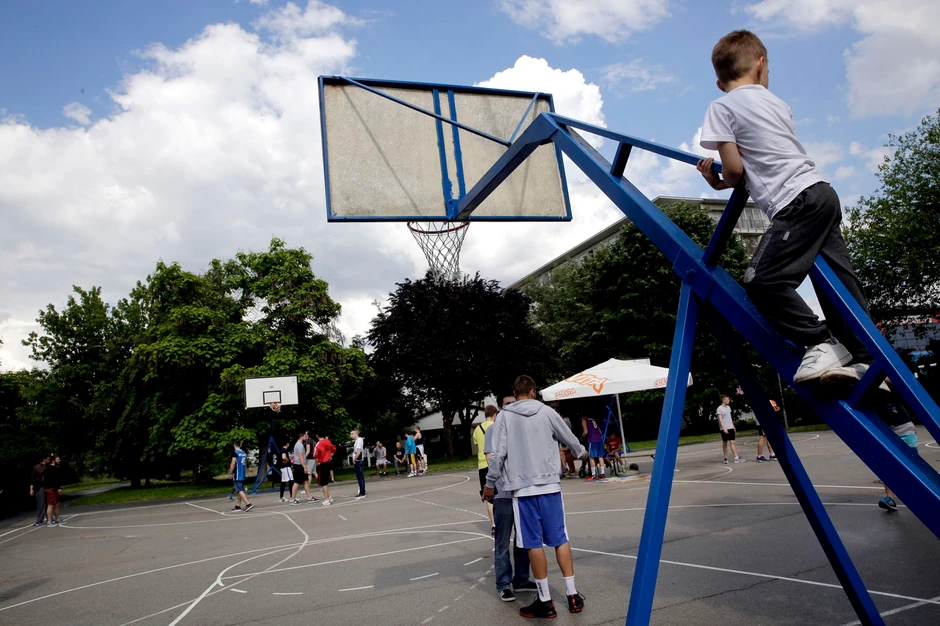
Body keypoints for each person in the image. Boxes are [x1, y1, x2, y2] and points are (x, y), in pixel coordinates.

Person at [697, 30, 877, 388]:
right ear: (760, 65)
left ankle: (821, 341)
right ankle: (867, 360)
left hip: (794, 201)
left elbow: (734, 170)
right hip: (821, 192)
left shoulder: (721, 106)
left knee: (762, 281)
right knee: (840, 283)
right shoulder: (777, 104)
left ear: (719, 82)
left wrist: (716, 181)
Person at [484, 375, 588, 618]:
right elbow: (570, 439)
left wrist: (490, 483)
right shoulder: (547, 412)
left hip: (523, 490)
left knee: (533, 543)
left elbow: (498, 455)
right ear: (533, 392)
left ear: (515, 393)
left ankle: (545, 600)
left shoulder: (504, 417)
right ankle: (572, 595)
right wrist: (582, 453)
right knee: (560, 539)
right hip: (550, 486)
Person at [483, 403, 536, 602]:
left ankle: (521, 579)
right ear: (499, 411)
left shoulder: (521, 429)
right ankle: (503, 584)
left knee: (523, 538)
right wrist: (492, 483)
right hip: (504, 491)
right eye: (506, 405)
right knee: (503, 540)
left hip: (522, 491)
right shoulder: (493, 430)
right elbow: (490, 458)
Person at [474, 405, 498, 535]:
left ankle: (494, 524)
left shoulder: (477, 429)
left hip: (482, 464)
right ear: (495, 415)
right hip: (494, 462)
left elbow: (478, 447)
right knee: (501, 494)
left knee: (489, 497)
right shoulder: (496, 426)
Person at [717, 395, 745, 463]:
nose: (728, 401)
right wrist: (724, 428)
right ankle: (725, 457)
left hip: (730, 427)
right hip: (724, 428)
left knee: (733, 442)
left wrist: (733, 426)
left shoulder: (728, 407)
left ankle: (736, 457)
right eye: (727, 399)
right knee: (725, 442)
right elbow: (720, 419)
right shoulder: (719, 409)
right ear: (723, 400)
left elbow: (730, 417)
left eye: (728, 399)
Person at [229, 442, 254, 512]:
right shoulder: (244, 453)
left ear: (234, 445)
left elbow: (233, 463)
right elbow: (246, 463)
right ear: (240, 445)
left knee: (239, 490)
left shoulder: (235, 453)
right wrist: (249, 468)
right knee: (239, 490)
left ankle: (248, 504)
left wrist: (230, 472)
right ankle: (238, 505)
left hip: (237, 473)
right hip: (242, 473)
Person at [581, 414, 607, 481]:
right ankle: (602, 473)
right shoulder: (593, 420)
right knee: (600, 456)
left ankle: (593, 475)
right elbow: (600, 431)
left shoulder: (584, 421)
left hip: (592, 440)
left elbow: (585, 432)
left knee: (591, 457)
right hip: (599, 439)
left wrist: (582, 436)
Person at [290, 432, 312, 505]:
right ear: (301, 437)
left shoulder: (299, 444)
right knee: (297, 482)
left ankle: (310, 497)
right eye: (305, 436)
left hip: (300, 465)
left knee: (305, 481)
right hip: (299, 465)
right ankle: (292, 499)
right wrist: (304, 467)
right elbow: (300, 457)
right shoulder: (299, 445)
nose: (306, 438)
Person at [314, 433, 336, 505]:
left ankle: (327, 499)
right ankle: (329, 497)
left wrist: (317, 462)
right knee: (325, 482)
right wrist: (330, 455)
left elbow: (315, 455)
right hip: (328, 462)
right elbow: (334, 449)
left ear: (317, 435)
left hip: (322, 463)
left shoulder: (319, 444)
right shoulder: (328, 442)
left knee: (323, 483)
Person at [29, 454, 50, 526]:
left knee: (49, 503)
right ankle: (39, 519)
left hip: (48, 486)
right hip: (40, 486)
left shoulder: (49, 467)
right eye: (47, 459)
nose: (49, 460)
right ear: (44, 459)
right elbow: (32, 478)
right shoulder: (37, 467)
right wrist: (31, 489)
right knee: (41, 503)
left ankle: (50, 518)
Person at [43, 454, 62, 527]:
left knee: (56, 504)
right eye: (57, 459)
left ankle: (57, 519)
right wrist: (58, 488)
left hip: (50, 488)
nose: (58, 461)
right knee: (50, 505)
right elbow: (55, 480)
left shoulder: (47, 468)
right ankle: (49, 521)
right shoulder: (52, 469)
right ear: (53, 461)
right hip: (51, 488)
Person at [351, 429, 366, 499]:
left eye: (352, 434)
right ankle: (362, 490)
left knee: (360, 477)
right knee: (360, 476)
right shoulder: (357, 441)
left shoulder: (359, 440)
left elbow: (358, 452)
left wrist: (354, 459)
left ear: (356, 433)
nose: (351, 435)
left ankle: (362, 491)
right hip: (358, 460)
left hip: (358, 461)